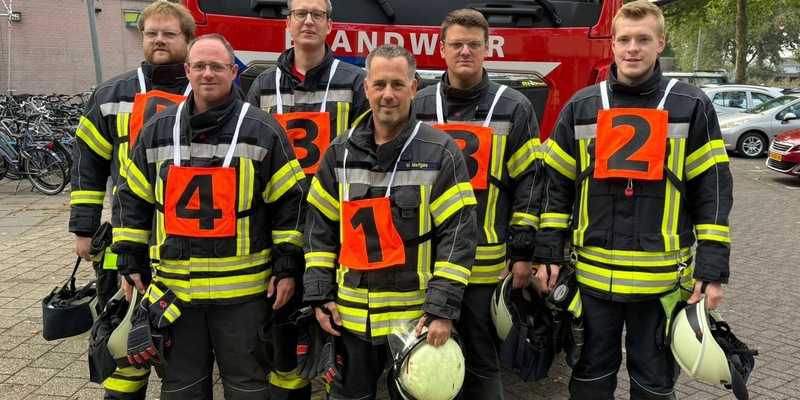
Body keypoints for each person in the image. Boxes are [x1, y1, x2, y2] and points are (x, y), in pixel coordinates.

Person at [533, 1, 733, 399]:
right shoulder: (581, 106)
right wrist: (548, 254)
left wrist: (712, 268)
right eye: (624, 39)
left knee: (654, 381)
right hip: (591, 280)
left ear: (660, 42)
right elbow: (555, 188)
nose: (633, 48)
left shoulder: (691, 106)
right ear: (612, 45)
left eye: (643, 39)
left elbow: (711, 190)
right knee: (590, 376)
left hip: (659, 284)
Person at [111, 33, 307, 399]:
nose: (207, 73)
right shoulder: (156, 131)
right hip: (176, 296)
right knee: (182, 389)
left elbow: (291, 205)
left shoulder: (264, 130)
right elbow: (132, 197)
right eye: (199, 66)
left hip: (244, 298)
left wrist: (287, 266)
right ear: (187, 70)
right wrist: (129, 256)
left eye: (217, 66)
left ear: (234, 72)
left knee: (247, 388)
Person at [303, 44, 478, 400]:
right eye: (379, 84)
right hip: (350, 318)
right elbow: (318, 229)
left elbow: (458, 236)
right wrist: (320, 297)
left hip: (416, 319)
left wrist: (441, 311)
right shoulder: (339, 152)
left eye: (398, 85)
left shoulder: (441, 152)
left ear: (414, 88)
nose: (387, 95)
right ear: (366, 87)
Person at [412, 9, 544, 398]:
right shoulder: (415, 105)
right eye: (456, 44)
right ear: (442, 49)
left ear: (488, 49)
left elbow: (530, 184)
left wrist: (522, 252)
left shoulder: (515, 106)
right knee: (425, 361)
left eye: (474, 44)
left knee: (483, 361)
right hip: (424, 262)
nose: (465, 51)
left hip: (486, 266)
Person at [68, 2, 195, 398]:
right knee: (123, 341)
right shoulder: (111, 95)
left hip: (189, 237)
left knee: (184, 346)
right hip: (127, 237)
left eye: (169, 33)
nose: (159, 40)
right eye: (151, 33)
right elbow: (87, 167)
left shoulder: (210, 89)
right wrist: (83, 228)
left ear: (188, 40)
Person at [244, 1, 369, 397]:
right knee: (283, 330)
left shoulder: (355, 82)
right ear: (289, 24)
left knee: (340, 327)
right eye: (301, 13)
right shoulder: (262, 86)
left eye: (317, 13)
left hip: (339, 229)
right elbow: (247, 154)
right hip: (279, 225)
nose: (309, 20)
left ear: (331, 25)